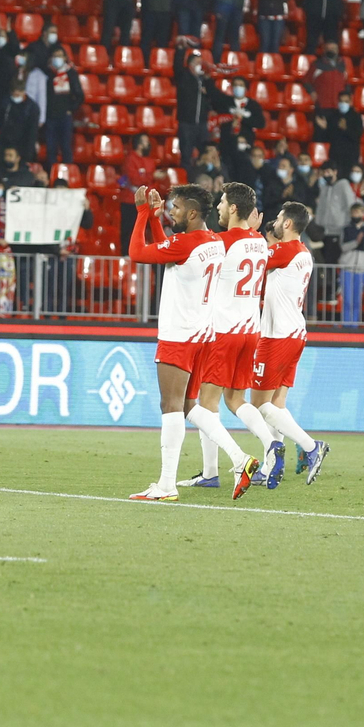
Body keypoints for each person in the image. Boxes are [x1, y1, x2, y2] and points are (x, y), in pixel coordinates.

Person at [125, 184, 259, 502]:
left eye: (176, 207)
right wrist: (158, 219)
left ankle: (167, 484)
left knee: (170, 406)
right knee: (188, 407)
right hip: (203, 335)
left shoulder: (186, 244)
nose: (171, 211)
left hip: (178, 334)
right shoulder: (212, 241)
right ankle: (240, 460)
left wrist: (144, 213)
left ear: (193, 212)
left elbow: (136, 253)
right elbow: (169, 247)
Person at [179, 183, 285, 491]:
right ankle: (269, 444)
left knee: (204, 403)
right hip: (250, 331)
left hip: (222, 332)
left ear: (234, 208)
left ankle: (222, 467)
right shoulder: (260, 243)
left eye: (223, 203)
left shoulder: (220, 242)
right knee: (235, 398)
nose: (219, 209)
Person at [249, 200, 327, 482]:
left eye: (279, 217)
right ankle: (273, 466)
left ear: (288, 224)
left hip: (277, 336)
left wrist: (250, 231)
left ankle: (310, 447)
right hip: (295, 333)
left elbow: (251, 262)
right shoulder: (303, 252)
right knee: (277, 404)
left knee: (259, 405)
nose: (275, 222)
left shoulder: (285, 250)